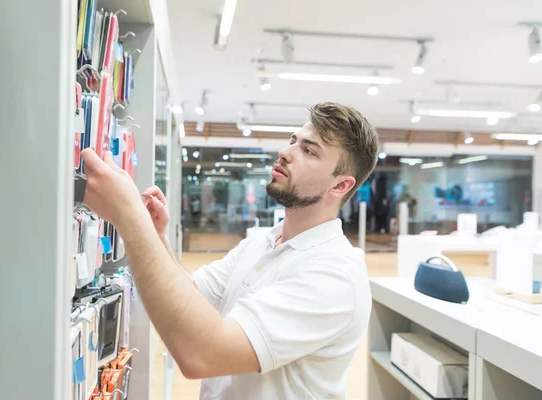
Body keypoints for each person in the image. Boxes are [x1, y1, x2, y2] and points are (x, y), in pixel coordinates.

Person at [80, 102, 380, 399]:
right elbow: (192, 294)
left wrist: (130, 219)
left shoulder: (334, 275)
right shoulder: (262, 242)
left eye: (309, 151)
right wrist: (157, 237)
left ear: (340, 186)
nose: (286, 153)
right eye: (293, 141)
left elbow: (201, 354)